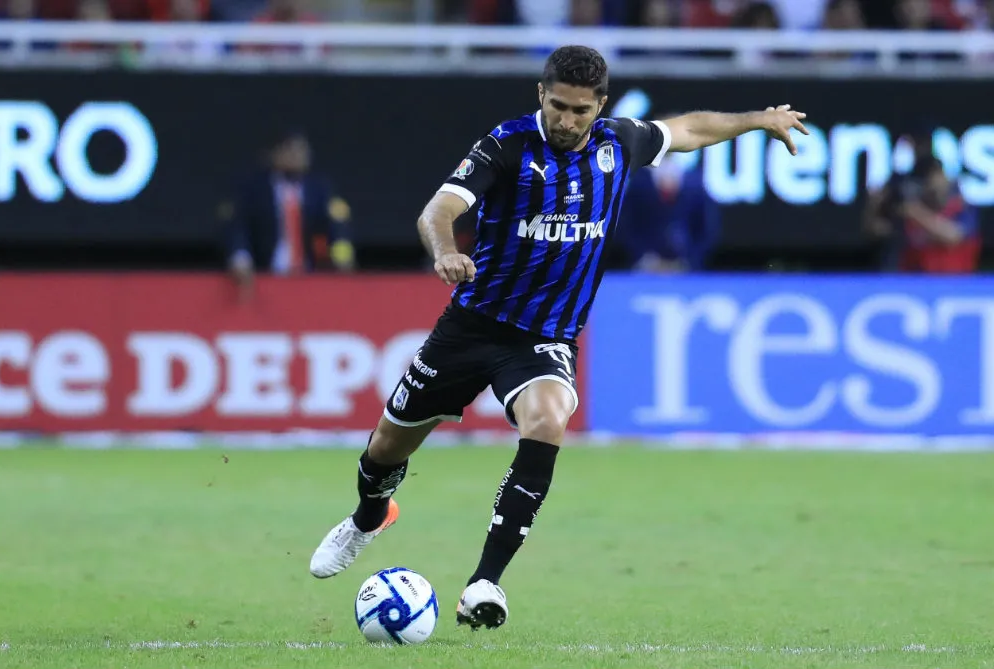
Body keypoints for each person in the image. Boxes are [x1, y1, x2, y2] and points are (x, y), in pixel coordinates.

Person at [309, 45, 808, 630]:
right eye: (557, 106)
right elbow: (437, 211)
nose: (567, 121)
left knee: (548, 419)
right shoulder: (508, 144)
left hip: (544, 338)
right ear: (539, 96)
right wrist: (446, 252)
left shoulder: (619, 143)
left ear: (601, 106)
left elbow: (690, 128)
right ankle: (371, 516)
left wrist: (760, 120)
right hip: (472, 326)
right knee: (386, 448)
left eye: (579, 110)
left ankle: (485, 582)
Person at [224, 129, 354, 296]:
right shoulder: (254, 189)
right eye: (290, 150)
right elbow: (237, 226)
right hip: (265, 277)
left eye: (302, 150)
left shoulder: (320, 189)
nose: (297, 156)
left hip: (309, 278)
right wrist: (240, 258)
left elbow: (338, 225)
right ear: (275, 154)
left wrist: (342, 256)